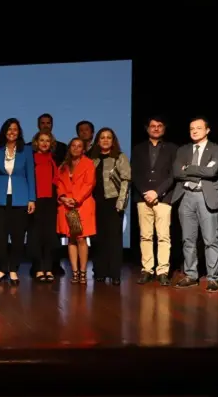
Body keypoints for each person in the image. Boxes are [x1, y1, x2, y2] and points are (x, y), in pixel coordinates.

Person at [171, 116, 218, 292]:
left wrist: (188, 169)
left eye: (198, 128)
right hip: (186, 195)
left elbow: (212, 171)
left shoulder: (216, 149)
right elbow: (176, 173)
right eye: (191, 128)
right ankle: (191, 275)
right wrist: (195, 172)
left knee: (210, 239)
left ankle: (212, 278)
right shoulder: (183, 150)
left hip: (206, 196)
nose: (194, 131)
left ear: (207, 130)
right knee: (188, 239)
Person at [0, 118, 35, 284]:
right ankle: (2, 269)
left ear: (19, 132)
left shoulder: (26, 150)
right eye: (9, 129)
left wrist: (32, 199)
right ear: (4, 131)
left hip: (20, 199)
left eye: (15, 129)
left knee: (17, 237)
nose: (12, 132)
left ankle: (14, 269)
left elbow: (30, 174)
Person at [131, 116, 177, 286]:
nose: (156, 128)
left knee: (164, 236)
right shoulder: (138, 149)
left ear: (164, 128)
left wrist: (157, 192)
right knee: (145, 236)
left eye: (159, 126)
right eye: (152, 126)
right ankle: (147, 270)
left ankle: (163, 271)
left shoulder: (173, 149)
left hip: (163, 198)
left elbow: (174, 174)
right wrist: (145, 192)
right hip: (143, 199)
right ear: (147, 128)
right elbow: (135, 173)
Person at [89, 127, 131, 285]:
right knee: (97, 240)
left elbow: (126, 180)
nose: (105, 140)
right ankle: (99, 271)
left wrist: (121, 203)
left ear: (113, 141)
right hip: (95, 204)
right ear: (98, 141)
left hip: (113, 203)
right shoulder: (92, 159)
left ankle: (114, 274)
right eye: (102, 137)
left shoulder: (119, 157)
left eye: (109, 137)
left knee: (113, 240)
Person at [54, 138, 96, 284]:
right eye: (73, 145)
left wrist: (76, 199)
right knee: (70, 239)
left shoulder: (88, 163)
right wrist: (64, 198)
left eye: (79, 146)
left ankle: (83, 272)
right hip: (66, 205)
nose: (76, 148)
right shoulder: (63, 166)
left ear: (83, 149)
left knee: (81, 238)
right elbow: (58, 183)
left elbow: (89, 184)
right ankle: (75, 272)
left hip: (82, 205)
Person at [29, 131, 59, 282]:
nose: (44, 143)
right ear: (36, 142)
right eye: (42, 140)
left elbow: (57, 181)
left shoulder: (53, 160)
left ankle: (48, 268)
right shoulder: (31, 159)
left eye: (47, 141)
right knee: (36, 236)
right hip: (36, 201)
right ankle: (38, 268)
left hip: (51, 202)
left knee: (50, 236)